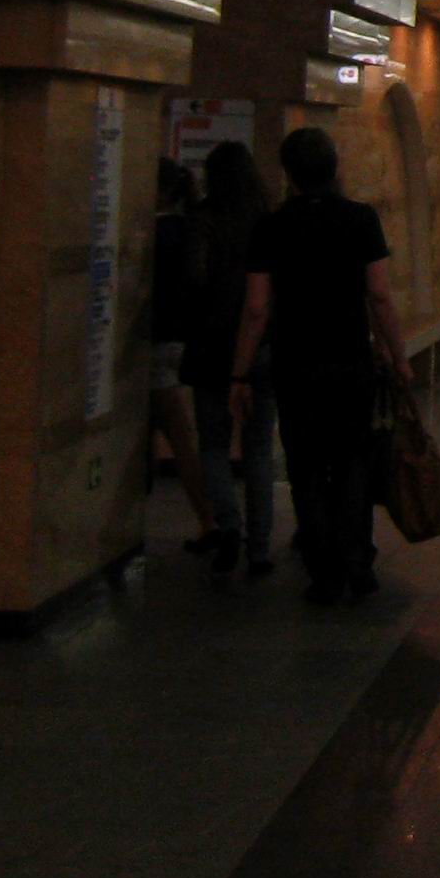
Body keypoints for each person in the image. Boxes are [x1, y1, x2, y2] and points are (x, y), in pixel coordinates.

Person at [229, 126, 408, 604]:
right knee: (352, 461)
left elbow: (257, 309)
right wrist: (397, 355)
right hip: (350, 360)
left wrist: (239, 373)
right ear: (334, 168)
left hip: (295, 365)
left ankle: (323, 569)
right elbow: (379, 295)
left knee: (305, 466)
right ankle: (357, 563)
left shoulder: (271, 227)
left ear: (288, 174)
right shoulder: (361, 219)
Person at [187, 140, 278, 577]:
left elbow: (193, 278)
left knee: (213, 445)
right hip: (259, 346)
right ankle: (259, 548)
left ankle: (227, 525)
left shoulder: (202, 219)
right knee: (259, 450)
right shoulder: (266, 220)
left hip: (210, 345)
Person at [145, 159, 222, 551]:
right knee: (177, 434)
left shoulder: (156, 235)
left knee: (180, 438)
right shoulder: (190, 229)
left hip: (157, 342)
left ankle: (209, 519)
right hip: (183, 340)